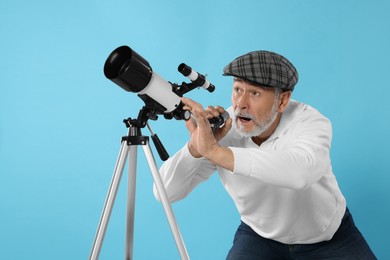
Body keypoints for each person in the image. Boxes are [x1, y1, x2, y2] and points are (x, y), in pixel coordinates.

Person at [154, 51, 376, 259]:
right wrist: (195, 149)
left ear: (282, 100)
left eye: (254, 93)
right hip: (259, 236)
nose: (241, 103)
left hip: (329, 237)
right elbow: (165, 192)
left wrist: (216, 152)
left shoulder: (311, 122)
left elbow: (300, 172)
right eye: (238, 89)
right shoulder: (224, 129)